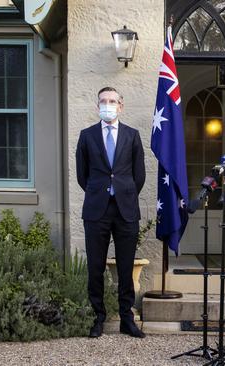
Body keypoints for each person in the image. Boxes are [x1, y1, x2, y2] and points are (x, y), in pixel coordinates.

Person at [76, 87, 146, 338]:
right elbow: (82, 175)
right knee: (95, 267)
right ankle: (98, 317)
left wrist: (122, 192)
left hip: (126, 210)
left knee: (126, 267)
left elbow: (139, 176)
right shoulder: (86, 136)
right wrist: (102, 192)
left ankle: (127, 319)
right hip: (96, 211)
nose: (108, 104)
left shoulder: (132, 135)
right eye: (103, 101)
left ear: (121, 106)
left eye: (113, 101)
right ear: (98, 106)